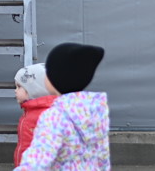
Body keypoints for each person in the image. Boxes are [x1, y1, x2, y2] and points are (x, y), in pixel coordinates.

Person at [14, 42, 110, 170]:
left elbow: (38, 160)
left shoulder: (54, 116)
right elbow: (102, 157)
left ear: (52, 79)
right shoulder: (95, 112)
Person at [13, 62, 56, 167]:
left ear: (34, 89)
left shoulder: (42, 115)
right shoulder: (31, 111)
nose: (15, 91)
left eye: (19, 87)